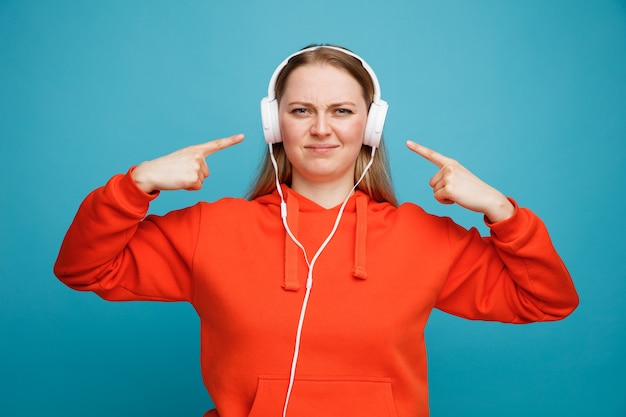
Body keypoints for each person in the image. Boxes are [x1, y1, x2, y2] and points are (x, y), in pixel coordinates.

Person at [54, 45, 579, 417]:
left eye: (342, 111)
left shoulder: (427, 238)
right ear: (274, 124)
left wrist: (500, 211)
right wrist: (137, 184)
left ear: (369, 126)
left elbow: (546, 301)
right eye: (301, 111)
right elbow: (84, 269)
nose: (321, 128)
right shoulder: (210, 229)